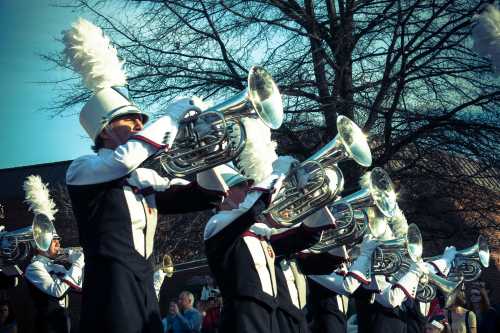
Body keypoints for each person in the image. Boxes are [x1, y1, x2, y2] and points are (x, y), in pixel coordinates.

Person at [63, 18, 226, 333]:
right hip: (110, 289)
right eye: (131, 120)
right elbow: (122, 163)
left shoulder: (145, 179)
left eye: (142, 121)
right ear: (106, 130)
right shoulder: (82, 169)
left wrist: (205, 149)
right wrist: (170, 118)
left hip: (144, 287)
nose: (140, 126)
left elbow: (209, 194)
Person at [24, 236, 84, 333]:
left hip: (63, 319)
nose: (59, 244)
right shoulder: (34, 267)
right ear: (40, 247)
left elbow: (79, 286)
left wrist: (80, 263)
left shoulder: (57, 265)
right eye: (54, 241)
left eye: (58, 241)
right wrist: (77, 265)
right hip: (48, 323)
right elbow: (58, 292)